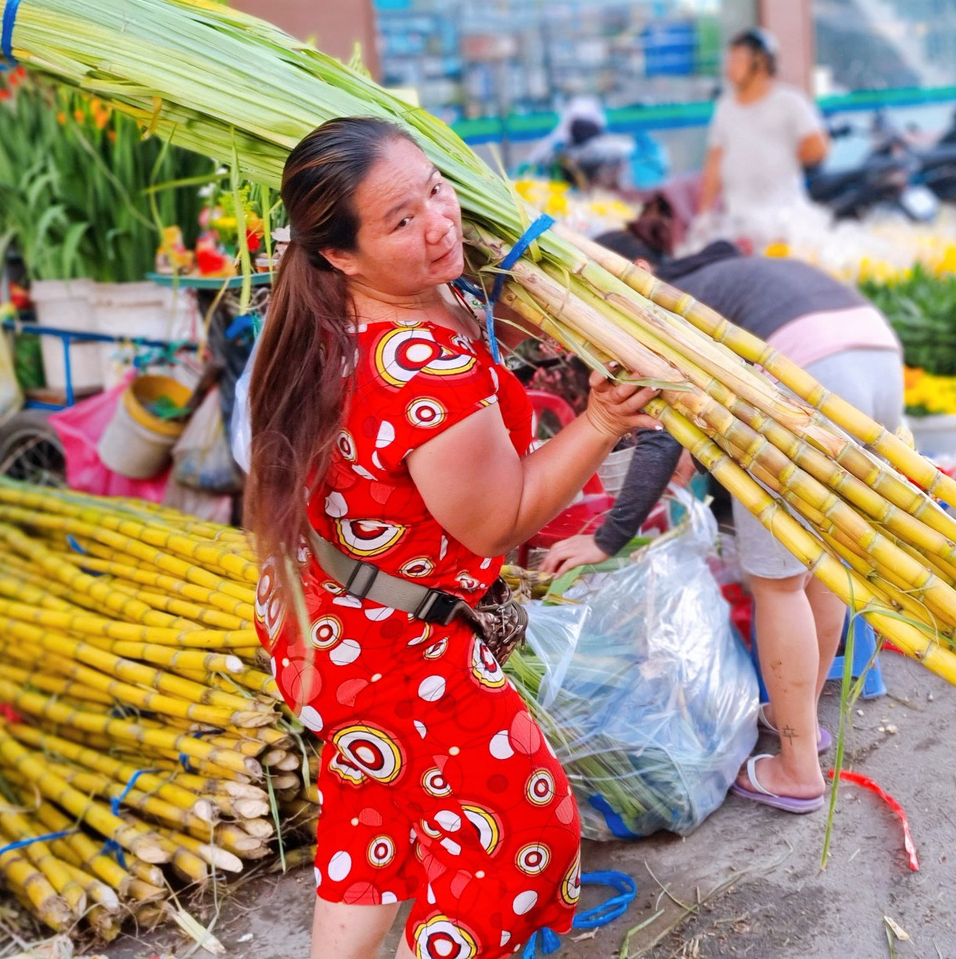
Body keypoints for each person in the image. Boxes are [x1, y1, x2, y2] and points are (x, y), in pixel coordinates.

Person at [246, 117, 658, 959]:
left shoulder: (350, 307)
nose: (439, 222)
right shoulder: (417, 366)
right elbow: (500, 518)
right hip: (402, 653)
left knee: (376, 817)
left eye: (436, 189)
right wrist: (601, 421)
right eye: (400, 219)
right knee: (511, 841)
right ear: (339, 254)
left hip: (332, 622)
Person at [543, 232, 903, 816]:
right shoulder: (710, 283)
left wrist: (606, 539)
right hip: (874, 360)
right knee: (821, 563)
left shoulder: (648, 311)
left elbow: (660, 441)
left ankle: (797, 772)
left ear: (628, 271)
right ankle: (802, 725)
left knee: (777, 582)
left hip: (805, 379)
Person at [696, 27, 828, 236]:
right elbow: (714, 163)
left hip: (784, 219)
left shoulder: (789, 101)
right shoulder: (725, 107)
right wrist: (703, 215)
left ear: (762, 62)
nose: (730, 67)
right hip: (739, 221)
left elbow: (818, 147)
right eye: (730, 60)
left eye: (739, 60)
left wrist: (777, 160)